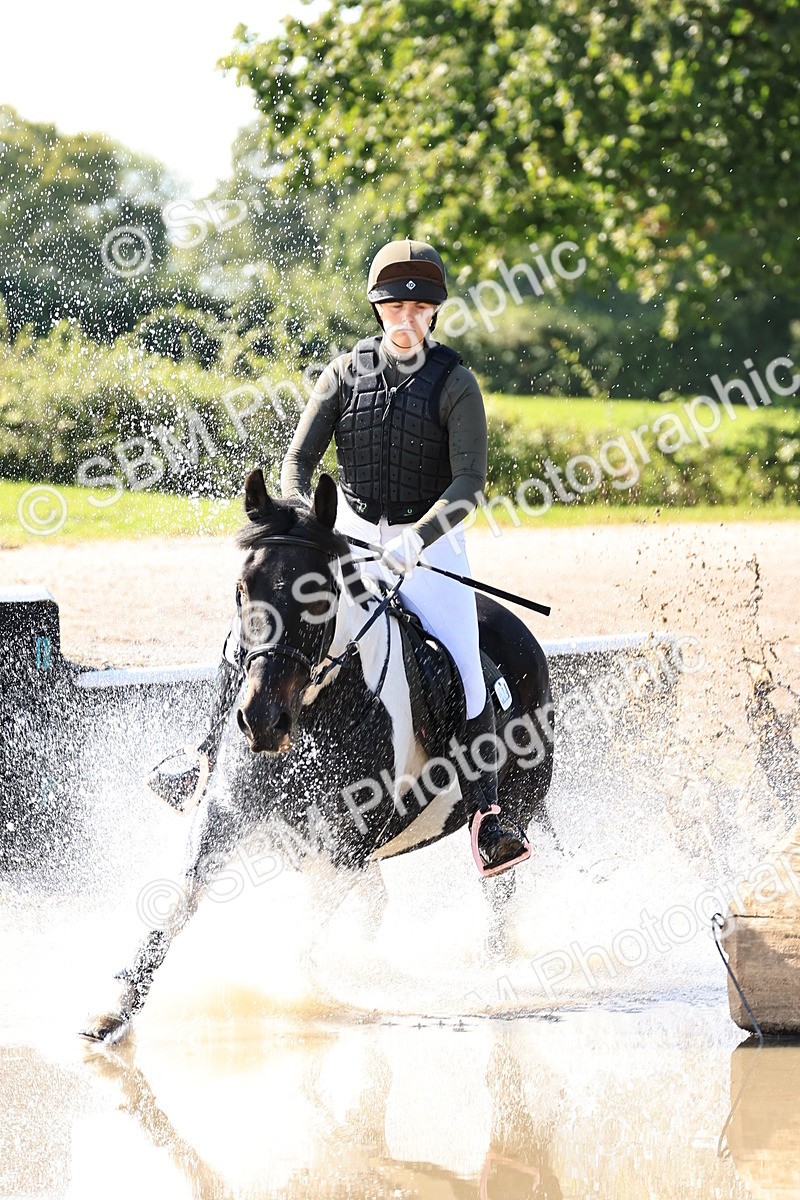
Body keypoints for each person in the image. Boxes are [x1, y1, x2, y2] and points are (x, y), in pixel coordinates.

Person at [149, 238, 529, 874]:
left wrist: (416, 539)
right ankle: (203, 756)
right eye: (392, 306)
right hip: (345, 535)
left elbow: (468, 486)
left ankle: (487, 816)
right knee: (256, 631)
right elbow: (298, 460)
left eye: (418, 307)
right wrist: (302, 520)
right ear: (378, 308)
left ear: (435, 310)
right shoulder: (345, 372)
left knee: (464, 664)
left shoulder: (456, 382)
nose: (404, 319)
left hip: (427, 542)